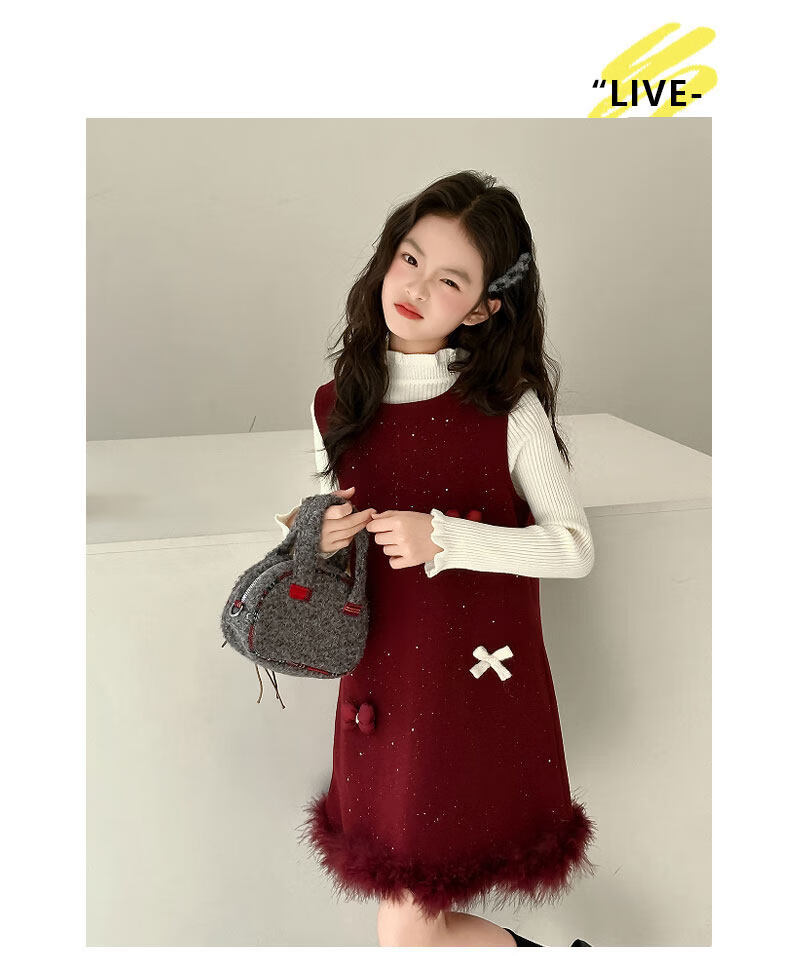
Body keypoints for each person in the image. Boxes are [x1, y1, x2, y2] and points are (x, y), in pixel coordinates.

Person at [275, 170, 597, 947]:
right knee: (413, 919)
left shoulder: (507, 410)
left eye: (450, 279)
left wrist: (444, 538)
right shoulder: (336, 403)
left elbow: (574, 548)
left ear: (484, 307)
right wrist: (320, 536)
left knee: (408, 928)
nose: (417, 288)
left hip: (469, 690)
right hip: (380, 687)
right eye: (410, 259)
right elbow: (336, 527)